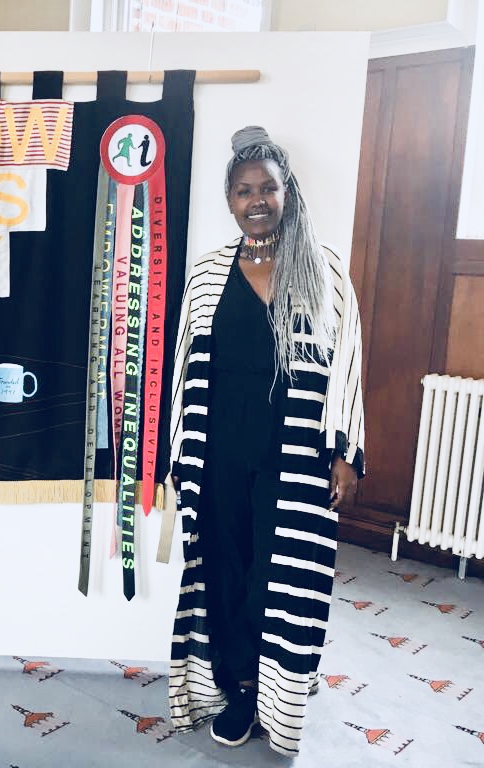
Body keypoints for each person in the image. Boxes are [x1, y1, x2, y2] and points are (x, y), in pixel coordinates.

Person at [166, 126, 365, 756]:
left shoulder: (324, 267)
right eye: (244, 190)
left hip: (296, 459)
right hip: (222, 453)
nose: (258, 199)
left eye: (268, 188)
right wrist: (181, 455)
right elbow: (184, 370)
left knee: (280, 583)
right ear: (229, 201)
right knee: (224, 575)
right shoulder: (205, 277)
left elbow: (349, 362)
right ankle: (236, 691)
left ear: (287, 192)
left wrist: (345, 451)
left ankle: (279, 698)